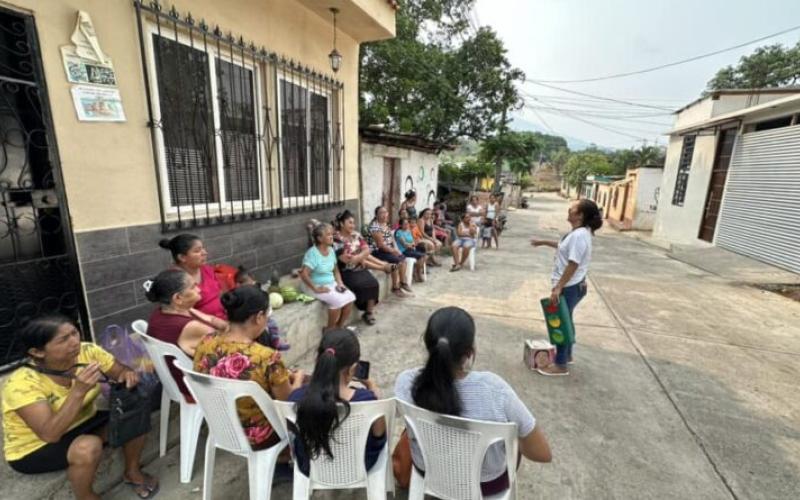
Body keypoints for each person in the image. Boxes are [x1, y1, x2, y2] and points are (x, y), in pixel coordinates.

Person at [394, 307, 551, 496]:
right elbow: (542, 453)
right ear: (469, 352)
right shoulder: (495, 390)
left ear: (427, 344)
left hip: (427, 472)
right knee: (514, 441)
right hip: (486, 485)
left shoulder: (405, 382)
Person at [2, 316, 158, 499]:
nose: (75, 342)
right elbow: (49, 434)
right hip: (35, 446)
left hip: (82, 422)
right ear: (37, 352)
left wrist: (127, 376)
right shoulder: (21, 384)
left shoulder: (87, 351)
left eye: (74, 333)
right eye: (63, 339)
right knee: (88, 447)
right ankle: (86, 496)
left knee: (135, 415)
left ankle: (132, 471)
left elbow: (120, 371)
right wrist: (78, 391)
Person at [193, 286, 304, 449]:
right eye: (267, 314)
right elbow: (287, 403)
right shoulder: (266, 357)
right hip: (258, 437)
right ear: (259, 317)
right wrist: (299, 377)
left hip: (221, 427)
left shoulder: (206, 342)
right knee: (310, 393)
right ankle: (289, 454)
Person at [288, 329, 386, 476]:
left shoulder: (297, 397)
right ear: (353, 369)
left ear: (318, 361)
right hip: (358, 467)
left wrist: (298, 381)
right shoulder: (367, 399)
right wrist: (371, 386)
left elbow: (292, 424)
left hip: (310, 466)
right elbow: (379, 434)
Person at [531, 199, 603, 376]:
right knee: (567, 319)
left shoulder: (579, 236)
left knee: (560, 323)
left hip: (569, 287)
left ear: (580, 215)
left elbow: (573, 263)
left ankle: (560, 364)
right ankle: (568, 355)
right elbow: (564, 247)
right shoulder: (578, 233)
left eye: (573, 209)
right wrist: (542, 242)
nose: (569, 210)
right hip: (573, 285)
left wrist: (558, 287)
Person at [144, 268, 227, 401]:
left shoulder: (161, 312)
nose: (199, 289)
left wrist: (223, 324)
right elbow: (229, 344)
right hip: (195, 388)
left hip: (175, 380)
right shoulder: (190, 327)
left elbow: (210, 319)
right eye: (193, 287)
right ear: (178, 298)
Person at [300, 223, 357, 332]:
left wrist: (340, 283)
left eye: (331, 234)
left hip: (331, 284)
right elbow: (303, 274)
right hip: (315, 286)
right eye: (328, 235)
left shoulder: (330, 250)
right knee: (337, 301)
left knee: (350, 297)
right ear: (320, 238)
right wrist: (316, 288)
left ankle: (339, 327)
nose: (331, 236)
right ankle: (329, 330)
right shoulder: (312, 254)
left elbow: (335, 270)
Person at [332, 210, 384, 325]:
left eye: (353, 223)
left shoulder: (356, 235)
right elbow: (343, 259)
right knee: (360, 286)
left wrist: (358, 257)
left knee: (374, 283)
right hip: (346, 270)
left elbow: (367, 249)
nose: (353, 225)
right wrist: (358, 257)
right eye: (350, 223)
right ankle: (362, 307)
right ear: (341, 224)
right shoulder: (336, 238)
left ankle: (369, 312)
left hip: (359, 267)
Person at [159, 234, 226, 320]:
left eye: (203, 248)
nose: (205, 253)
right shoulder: (175, 280)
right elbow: (181, 314)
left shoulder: (206, 270)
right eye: (197, 251)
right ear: (182, 257)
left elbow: (219, 293)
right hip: (202, 326)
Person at [368, 206, 411, 297]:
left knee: (403, 259)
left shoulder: (386, 224)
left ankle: (402, 282)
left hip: (387, 250)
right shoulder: (375, 227)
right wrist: (393, 251)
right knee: (396, 262)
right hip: (377, 252)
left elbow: (391, 239)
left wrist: (396, 250)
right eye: (381, 213)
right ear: (376, 215)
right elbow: (381, 245)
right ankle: (395, 288)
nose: (384, 215)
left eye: (385, 212)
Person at [395, 217, 428, 283]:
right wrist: (412, 244)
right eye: (405, 224)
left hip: (411, 249)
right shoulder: (399, 232)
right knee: (422, 256)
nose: (407, 225)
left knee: (425, 255)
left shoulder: (408, 231)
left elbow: (413, 241)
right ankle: (418, 274)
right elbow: (405, 244)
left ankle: (416, 272)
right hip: (404, 251)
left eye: (407, 224)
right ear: (400, 225)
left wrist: (412, 244)